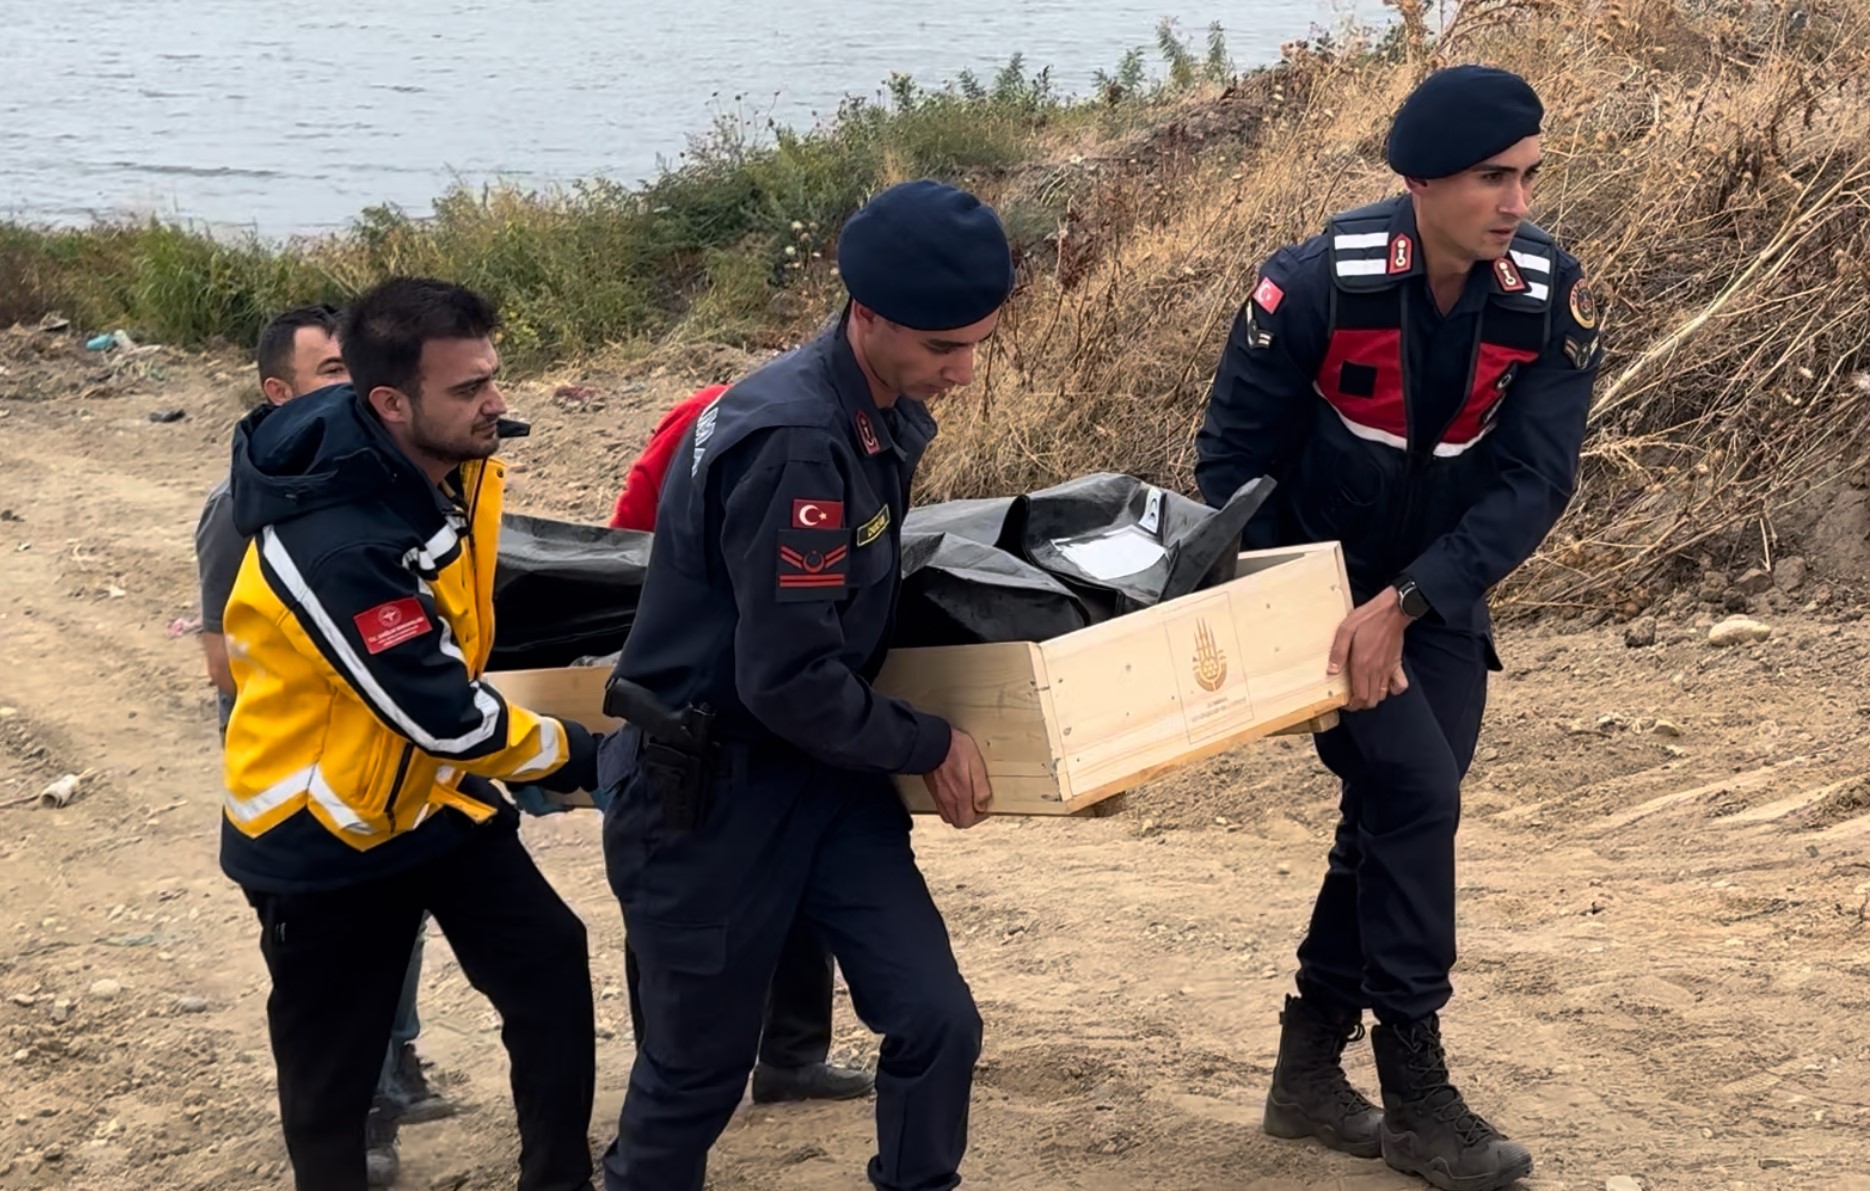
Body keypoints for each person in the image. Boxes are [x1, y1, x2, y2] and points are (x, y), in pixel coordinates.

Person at [1194, 66, 1603, 1191]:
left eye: (1527, 175)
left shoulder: (1545, 293)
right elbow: (1231, 468)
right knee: (1416, 794)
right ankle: (1417, 1094)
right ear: (1419, 182)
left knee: (1392, 811)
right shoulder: (1312, 285)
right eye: (1489, 178)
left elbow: (1534, 479)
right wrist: (1321, 609)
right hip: (1309, 593)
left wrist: (1412, 600)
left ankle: (1306, 1070)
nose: (1516, 202)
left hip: (1434, 594)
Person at [594, 178, 1005, 1191]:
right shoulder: (794, 441)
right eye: (942, 347)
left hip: (826, 781)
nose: (962, 371)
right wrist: (930, 741)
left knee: (934, 1020)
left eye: (975, 343)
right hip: (712, 790)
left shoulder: (874, 403)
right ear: (866, 315)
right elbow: (785, 678)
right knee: (693, 1074)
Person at [219, 277, 601, 1191]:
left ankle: (560, 1179)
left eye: (494, 377)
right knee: (331, 1075)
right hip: (321, 826)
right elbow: (440, 709)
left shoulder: (444, 463)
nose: (497, 404)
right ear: (389, 401)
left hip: (428, 795)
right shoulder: (336, 540)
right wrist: (582, 751)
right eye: (469, 389)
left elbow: (460, 625)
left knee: (548, 961)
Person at [193, 305, 456, 1185]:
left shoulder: (384, 482)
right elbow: (227, 659)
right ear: (281, 393)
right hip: (299, 786)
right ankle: (360, 1119)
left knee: (400, 936)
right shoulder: (246, 509)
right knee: (323, 979)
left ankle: (397, 1070)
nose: (356, 390)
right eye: (332, 373)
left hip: (390, 769)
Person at [605, 379, 876, 1105]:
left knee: (797, 869)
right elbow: (623, 547)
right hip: (694, 691)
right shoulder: (719, 418)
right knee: (678, 890)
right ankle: (664, 1071)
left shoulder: (857, 421)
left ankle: (792, 1056)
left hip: (789, 678)